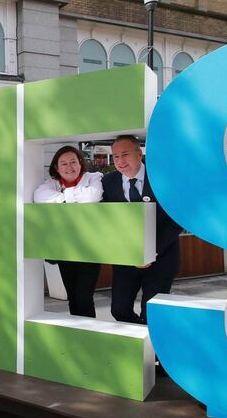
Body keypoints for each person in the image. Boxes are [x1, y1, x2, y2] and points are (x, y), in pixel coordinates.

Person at [102, 135, 183, 324]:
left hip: (161, 258)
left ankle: (155, 351)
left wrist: (150, 252)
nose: (120, 161)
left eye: (125, 155)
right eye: (115, 156)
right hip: (127, 259)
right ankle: (140, 342)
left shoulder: (162, 178)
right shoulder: (108, 182)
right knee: (119, 310)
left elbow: (176, 218)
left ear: (139, 154)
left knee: (152, 314)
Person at [32, 145, 104, 318]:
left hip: (90, 249)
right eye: (63, 163)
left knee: (84, 297)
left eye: (73, 161)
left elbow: (93, 195)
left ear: (80, 163)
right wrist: (72, 198)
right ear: (56, 167)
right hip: (65, 248)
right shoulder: (51, 184)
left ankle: (89, 333)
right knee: (72, 297)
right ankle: (78, 335)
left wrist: (63, 198)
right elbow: (39, 196)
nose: (69, 166)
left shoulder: (93, 177)